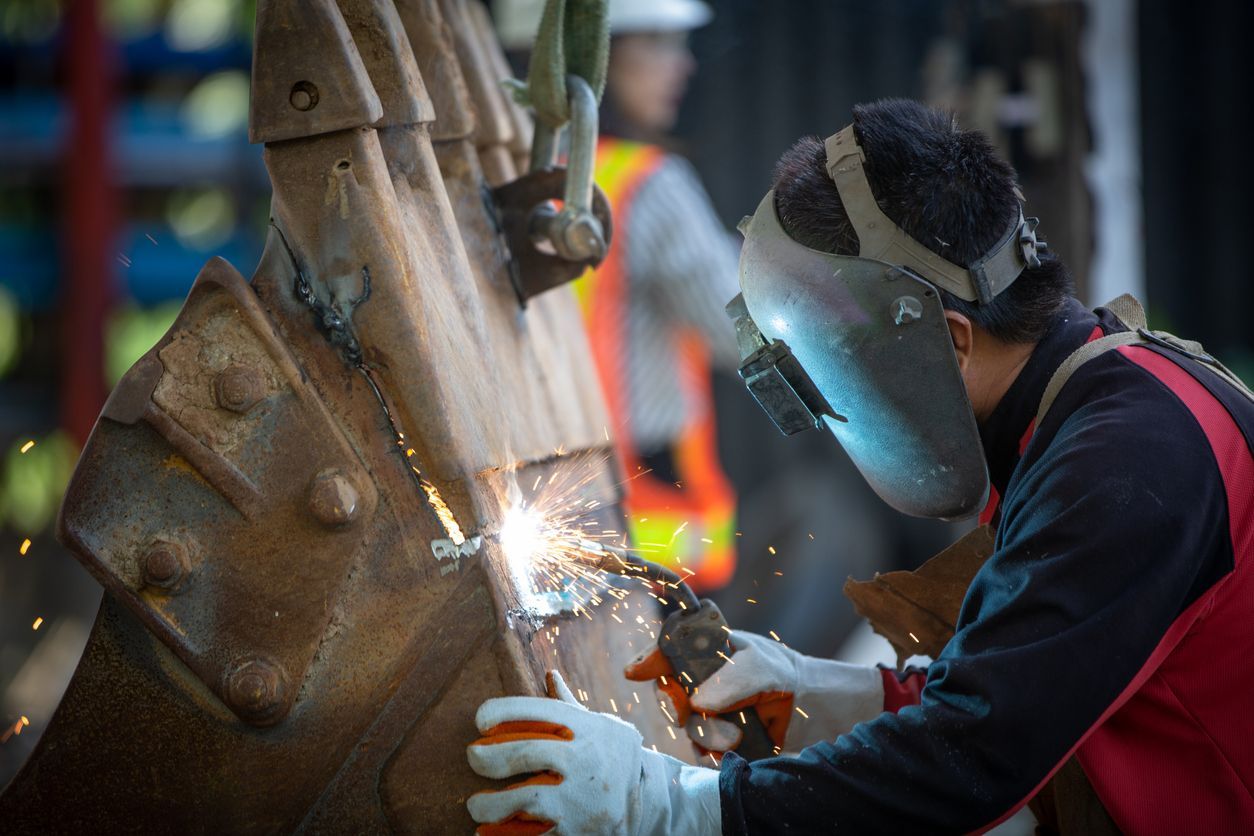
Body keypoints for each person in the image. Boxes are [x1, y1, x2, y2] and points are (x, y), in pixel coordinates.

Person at [462, 99, 1254, 833]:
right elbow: (1017, 683)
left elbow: (973, 756)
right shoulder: (1072, 412)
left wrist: (671, 808)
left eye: (838, 360)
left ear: (947, 341)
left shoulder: (1126, 460)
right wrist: (819, 690)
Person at [496, 0, 742, 591]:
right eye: (657, 42)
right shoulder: (649, 183)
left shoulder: (499, 172)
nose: (681, 66)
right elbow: (745, 334)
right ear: (591, 58)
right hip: (643, 510)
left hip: (530, 495)